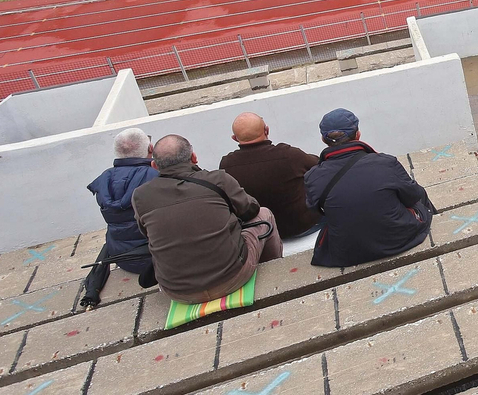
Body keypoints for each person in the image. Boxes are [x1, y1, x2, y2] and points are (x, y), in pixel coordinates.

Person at [132, 134, 284, 304]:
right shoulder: (218, 179)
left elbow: (146, 233)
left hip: (178, 292)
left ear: (154, 165)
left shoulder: (140, 196)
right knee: (264, 214)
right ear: (194, 157)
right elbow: (250, 209)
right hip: (233, 277)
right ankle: (275, 271)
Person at [304, 110, 433, 268]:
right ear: (358, 134)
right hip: (399, 240)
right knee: (420, 194)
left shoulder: (313, 177)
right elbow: (412, 196)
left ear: (323, 140)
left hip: (347, 252)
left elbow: (316, 210)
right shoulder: (386, 163)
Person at [81, 128, 158, 306]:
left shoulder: (104, 179)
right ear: (151, 148)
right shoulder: (155, 176)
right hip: (153, 259)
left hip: (122, 257)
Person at [219, 113, 321, 239]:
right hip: (304, 226)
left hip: (264, 232)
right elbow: (320, 166)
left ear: (235, 138)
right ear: (266, 130)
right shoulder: (288, 155)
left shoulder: (227, 165)